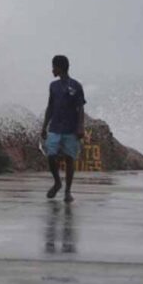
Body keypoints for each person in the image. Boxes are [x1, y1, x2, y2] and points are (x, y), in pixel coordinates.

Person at [41, 55, 86, 203]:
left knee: (69, 159)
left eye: (54, 67)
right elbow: (50, 106)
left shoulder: (76, 86)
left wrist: (80, 127)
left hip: (70, 129)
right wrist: (44, 125)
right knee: (51, 154)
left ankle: (68, 191)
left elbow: (80, 109)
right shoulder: (53, 86)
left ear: (60, 68)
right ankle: (57, 182)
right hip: (55, 127)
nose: (52, 70)